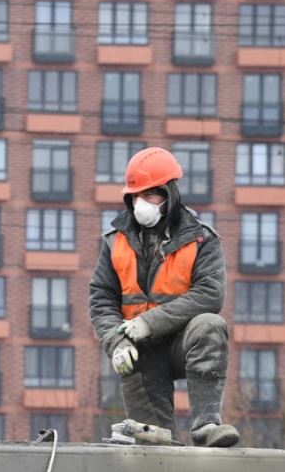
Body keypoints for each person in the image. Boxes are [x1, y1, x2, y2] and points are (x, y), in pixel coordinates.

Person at [89, 147, 240, 448]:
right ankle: (158, 444)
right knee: (154, 447)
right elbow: (101, 299)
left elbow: (210, 294)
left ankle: (207, 425)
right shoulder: (114, 243)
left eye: (149, 195)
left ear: (169, 194)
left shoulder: (201, 239)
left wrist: (149, 322)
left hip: (182, 342)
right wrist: (116, 342)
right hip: (141, 353)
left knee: (210, 326)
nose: (140, 204)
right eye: (135, 196)